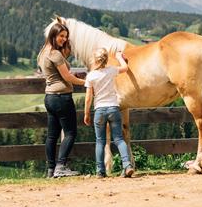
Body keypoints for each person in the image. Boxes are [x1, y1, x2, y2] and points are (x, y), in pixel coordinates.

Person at [37, 22, 85, 178]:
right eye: (61, 36)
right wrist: (87, 82)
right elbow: (67, 77)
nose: (64, 39)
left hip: (49, 97)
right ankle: (61, 166)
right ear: (53, 35)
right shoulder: (56, 55)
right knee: (70, 132)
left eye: (66, 37)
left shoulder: (43, 52)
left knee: (52, 135)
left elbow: (55, 71)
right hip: (62, 98)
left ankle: (51, 169)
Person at [83, 48, 134, 178]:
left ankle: (100, 171)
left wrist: (86, 114)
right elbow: (125, 68)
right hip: (113, 108)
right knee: (119, 139)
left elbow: (88, 98)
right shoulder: (111, 70)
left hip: (100, 110)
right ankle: (127, 165)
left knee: (100, 141)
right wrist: (119, 57)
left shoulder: (91, 76)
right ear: (106, 59)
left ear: (94, 60)